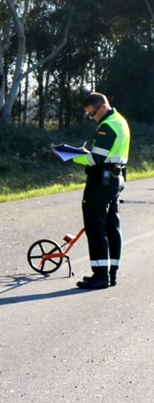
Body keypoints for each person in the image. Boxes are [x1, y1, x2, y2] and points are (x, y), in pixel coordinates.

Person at [73, 92, 130, 290]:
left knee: (95, 226)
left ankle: (100, 275)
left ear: (103, 107)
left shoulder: (107, 125)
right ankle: (111, 273)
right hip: (116, 178)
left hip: (102, 180)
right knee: (111, 226)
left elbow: (95, 158)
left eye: (92, 113)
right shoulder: (120, 121)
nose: (91, 118)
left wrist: (74, 156)